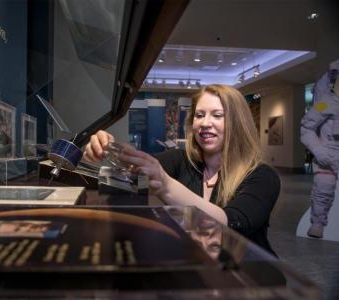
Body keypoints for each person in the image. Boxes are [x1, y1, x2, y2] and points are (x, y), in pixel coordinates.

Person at [84, 84, 280, 255]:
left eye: (217, 115)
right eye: (199, 115)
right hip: (196, 264)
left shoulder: (263, 176)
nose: (205, 123)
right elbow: (143, 164)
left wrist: (166, 185)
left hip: (245, 276)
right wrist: (110, 147)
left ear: (238, 124)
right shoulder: (182, 160)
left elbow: (228, 223)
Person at [300, 58, 339, 238]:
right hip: (329, 151)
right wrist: (319, 150)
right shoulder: (325, 103)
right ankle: (318, 223)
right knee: (324, 186)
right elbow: (307, 126)